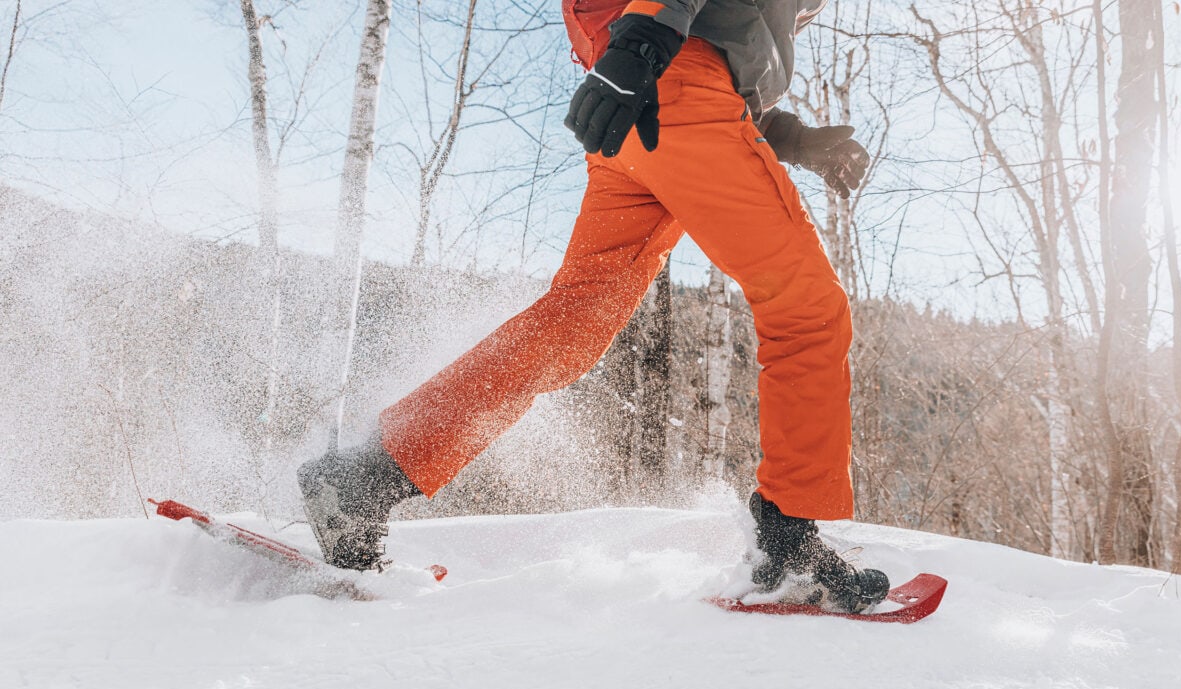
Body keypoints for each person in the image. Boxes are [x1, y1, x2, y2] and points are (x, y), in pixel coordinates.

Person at [299, 0, 891, 613]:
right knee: (807, 308)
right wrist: (645, 41)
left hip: (640, 109)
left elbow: (723, 47)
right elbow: (702, 61)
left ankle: (364, 480)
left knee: (570, 326)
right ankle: (790, 545)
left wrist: (790, 137)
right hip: (668, 81)